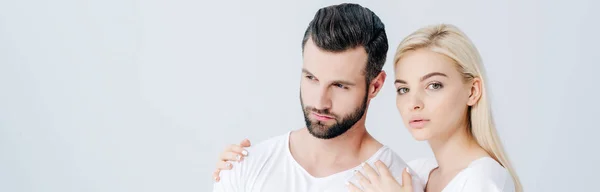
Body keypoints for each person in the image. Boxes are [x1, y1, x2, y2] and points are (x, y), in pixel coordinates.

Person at [212, 24, 523, 192]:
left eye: (434, 85)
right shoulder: (420, 173)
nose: (414, 102)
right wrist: (240, 169)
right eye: (404, 89)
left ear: (473, 90)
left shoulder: (484, 181)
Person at [212, 3, 423, 192]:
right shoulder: (244, 167)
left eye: (340, 85)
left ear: (375, 86)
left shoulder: (399, 183)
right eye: (311, 78)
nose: (320, 103)